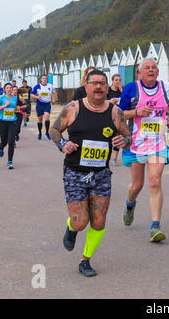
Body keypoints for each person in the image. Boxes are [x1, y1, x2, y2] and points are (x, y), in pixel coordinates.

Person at [50, 69, 132, 277]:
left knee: (99, 221)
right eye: (94, 83)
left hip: (101, 173)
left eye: (102, 83)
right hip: (75, 172)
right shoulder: (73, 108)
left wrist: (123, 141)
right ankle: (71, 227)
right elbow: (54, 130)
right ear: (85, 86)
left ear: (107, 87)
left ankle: (85, 260)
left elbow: (128, 136)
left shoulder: (115, 113)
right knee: (80, 221)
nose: (98, 87)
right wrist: (63, 144)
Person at [118, 58, 169, 242]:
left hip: (157, 144)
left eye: (154, 67)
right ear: (139, 73)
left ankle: (155, 226)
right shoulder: (131, 89)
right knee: (137, 185)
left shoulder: (166, 87)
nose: (151, 70)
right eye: (147, 68)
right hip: (135, 144)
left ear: (158, 72)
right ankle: (129, 204)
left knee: (154, 181)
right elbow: (117, 114)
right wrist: (136, 112)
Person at [0, 83, 21, 169]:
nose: (9, 89)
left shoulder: (15, 98)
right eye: (7, 88)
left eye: (10, 88)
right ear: (4, 89)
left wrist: (17, 108)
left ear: (12, 90)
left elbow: (15, 106)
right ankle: (1, 147)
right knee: (4, 141)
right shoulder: (0, 98)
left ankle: (10, 162)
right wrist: (4, 106)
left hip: (12, 122)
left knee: (11, 142)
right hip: (2, 123)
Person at [31, 75, 56, 140]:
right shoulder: (37, 86)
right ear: (41, 79)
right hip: (39, 105)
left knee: (47, 117)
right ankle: (40, 133)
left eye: (45, 78)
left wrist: (53, 99)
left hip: (47, 104)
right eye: (43, 78)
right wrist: (36, 97)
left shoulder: (50, 86)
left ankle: (47, 133)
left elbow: (53, 92)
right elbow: (31, 94)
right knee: (40, 119)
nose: (44, 79)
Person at [108, 74, 123, 166]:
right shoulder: (107, 90)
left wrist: (122, 90)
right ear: (112, 81)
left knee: (118, 137)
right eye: (116, 80)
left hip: (119, 116)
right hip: (108, 115)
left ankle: (114, 158)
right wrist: (110, 101)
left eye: (119, 80)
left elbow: (127, 100)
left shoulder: (122, 91)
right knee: (108, 136)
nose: (118, 82)